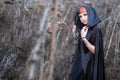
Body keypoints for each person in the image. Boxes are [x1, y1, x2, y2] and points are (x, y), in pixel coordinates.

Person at [69, 5, 106, 80]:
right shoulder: (83, 28)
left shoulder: (96, 30)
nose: (83, 18)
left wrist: (84, 39)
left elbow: (95, 51)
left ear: (90, 14)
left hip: (90, 66)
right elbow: (79, 48)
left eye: (85, 15)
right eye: (80, 16)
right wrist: (75, 35)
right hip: (80, 64)